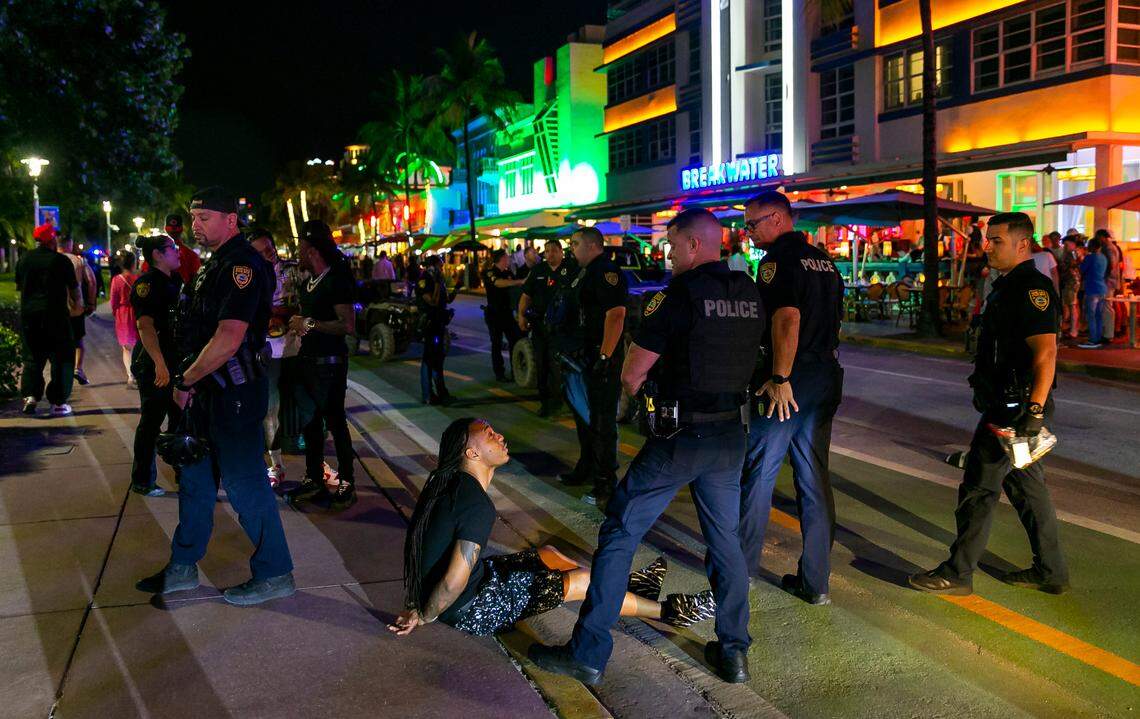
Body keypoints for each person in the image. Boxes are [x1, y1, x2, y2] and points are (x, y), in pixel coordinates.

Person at [528, 209, 763, 685]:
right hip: (731, 437)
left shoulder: (676, 296)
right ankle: (735, 652)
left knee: (619, 532)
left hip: (680, 439)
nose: (668, 253)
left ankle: (588, 652)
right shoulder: (749, 293)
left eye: (673, 245)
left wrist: (647, 387)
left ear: (695, 245)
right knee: (724, 545)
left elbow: (633, 374)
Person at [388, 418, 712, 640]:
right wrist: (424, 614)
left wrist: (419, 603)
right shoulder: (475, 505)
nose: (499, 436)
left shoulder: (455, 487)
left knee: (550, 556)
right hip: (475, 609)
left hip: (475, 587)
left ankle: (625, 587)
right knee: (582, 581)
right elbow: (452, 581)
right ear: (471, 453)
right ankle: (671, 611)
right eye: (488, 434)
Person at [135, 186, 295, 606]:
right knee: (195, 481)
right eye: (193, 217)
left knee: (245, 486)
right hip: (208, 392)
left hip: (235, 393)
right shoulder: (215, 265)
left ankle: (275, 573)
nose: (195, 225)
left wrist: (183, 381)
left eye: (204, 218)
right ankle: (183, 568)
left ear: (230, 220)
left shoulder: (242, 265)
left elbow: (228, 338)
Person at [909, 212, 1069, 596]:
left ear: (1022, 244)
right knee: (1028, 491)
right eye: (987, 239)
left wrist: (1032, 413)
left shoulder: (1031, 288)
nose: (987, 247)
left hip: (1014, 409)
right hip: (1008, 404)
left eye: (996, 240)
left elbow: (1046, 354)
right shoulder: (1008, 285)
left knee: (979, 489)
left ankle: (958, 572)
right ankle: (1051, 571)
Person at [738, 190, 845, 605]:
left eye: (753, 223)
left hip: (789, 377)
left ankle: (741, 568)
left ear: (779, 219)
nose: (748, 232)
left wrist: (780, 375)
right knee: (814, 479)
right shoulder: (826, 261)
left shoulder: (775, 262)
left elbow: (787, 317)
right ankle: (815, 581)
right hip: (823, 375)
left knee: (760, 473)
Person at [283, 220, 358, 512]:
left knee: (336, 423)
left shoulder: (336, 279)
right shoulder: (311, 279)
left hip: (329, 365)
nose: (296, 250)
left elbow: (347, 325)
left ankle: (347, 481)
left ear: (312, 248)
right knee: (311, 425)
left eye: (300, 245)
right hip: (308, 361)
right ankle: (314, 477)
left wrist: (309, 323)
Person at [561, 227, 628, 507]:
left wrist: (604, 357)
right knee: (584, 418)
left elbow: (616, 314)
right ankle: (586, 467)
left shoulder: (605, 271)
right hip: (582, 358)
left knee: (602, 422)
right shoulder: (583, 271)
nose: (571, 248)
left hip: (602, 359)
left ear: (591, 245)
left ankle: (605, 484)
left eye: (575, 243)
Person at [129, 234, 183, 497]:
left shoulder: (176, 280)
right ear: (158, 255)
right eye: (172, 248)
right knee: (152, 421)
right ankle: (143, 480)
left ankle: (184, 475)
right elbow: (145, 326)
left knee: (180, 418)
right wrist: (160, 364)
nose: (178, 252)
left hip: (175, 360)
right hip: (153, 363)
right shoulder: (147, 285)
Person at [17, 224, 79, 416]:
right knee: (62, 358)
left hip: (30, 316)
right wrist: (78, 306)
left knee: (33, 357)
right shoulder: (61, 261)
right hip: (56, 317)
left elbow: (20, 287)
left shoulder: (24, 259)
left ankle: (30, 396)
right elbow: (74, 289)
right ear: (51, 240)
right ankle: (58, 402)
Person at [249, 228, 292, 488]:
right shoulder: (250, 277)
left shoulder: (292, 271)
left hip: (295, 348)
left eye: (270, 248)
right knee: (270, 409)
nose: (270, 254)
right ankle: (276, 464)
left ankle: (315, 462)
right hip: (269, 350)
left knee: (298, 406)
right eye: (263, 252)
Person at [518, 239, 577, 417]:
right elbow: (526, 295)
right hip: (540, 327)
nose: (549, 254)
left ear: (561, 252)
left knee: (560, 366)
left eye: (553, 250)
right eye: (547, 251)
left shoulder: (572, 268)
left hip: (563, 328)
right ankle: (545, 403)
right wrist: (521, 316)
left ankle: (564, 402)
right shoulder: (538, 270)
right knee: (542, 365)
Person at [57, 235, 97, 386]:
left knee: (59, 341)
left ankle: (61, 370)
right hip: (76, 307)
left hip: (56, 308)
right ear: (70, 244)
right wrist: (91, 302)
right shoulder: (79, 261)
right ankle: (77, 368)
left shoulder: (52, 260)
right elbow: (91, 281)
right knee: (78, 339)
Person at [480, 249, 525, 381]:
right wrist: (519, 282)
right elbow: (498, 283)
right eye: (506, 257)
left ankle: (515, 370)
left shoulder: (508, 272)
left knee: (515, 341)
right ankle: (499, 373)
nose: (509, 259)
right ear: (501, 259)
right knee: (497, 344)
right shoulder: (490, 272)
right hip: (494, 314)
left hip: (507, 313)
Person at [416, 254, 453, 405]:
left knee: (437, 358)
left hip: (438, 323)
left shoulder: (437, 279)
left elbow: (445, 300)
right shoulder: (425, 279)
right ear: (434, 266)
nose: (442, 268)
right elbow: (432, 301)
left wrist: (454, 289)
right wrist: (438, 285)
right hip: (430, 324)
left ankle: (441, 392)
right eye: (440, 266)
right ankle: (428, 395)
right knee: (429, 358)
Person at [110, 250, 140, 387]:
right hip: (137, 312)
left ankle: (130, 376)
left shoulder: (117, 280)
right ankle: (139, 373)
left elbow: (114, 301)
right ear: (134, 263)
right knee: (140, 345)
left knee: (127, 348)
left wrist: (115, 312)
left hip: (123, 314)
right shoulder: (138, 279)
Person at [1078, 237, 1108, 349]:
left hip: (1092, 288)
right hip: (1102, 288)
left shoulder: (1090, 257)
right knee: (1099, 315)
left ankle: (1093, 340)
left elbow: (1082, 270)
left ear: (1091, 246)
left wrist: (1081, 260)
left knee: (1091, 315)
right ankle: (1098, 337)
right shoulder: (1103, 257)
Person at [165, 214, 202, 285]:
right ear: (182, 229)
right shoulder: (192, 255)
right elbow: (196, 281)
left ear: (166, 228)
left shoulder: (156, 252)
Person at [1059, 235, 1083, 340]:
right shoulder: (1072, 253)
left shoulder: (1072, 253)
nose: (1065, 246)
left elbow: (1073, 266)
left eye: (1067, 244)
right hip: (1070, 281)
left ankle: (1073, 330)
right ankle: (1072, 328)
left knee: (1072, 306)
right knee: (1071, 306)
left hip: (1072, 282)